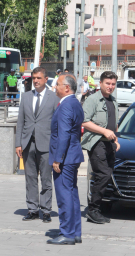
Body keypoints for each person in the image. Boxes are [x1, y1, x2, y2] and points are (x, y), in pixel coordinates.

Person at [15, 67, 60, 223]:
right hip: (28, 144)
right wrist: (18, 143)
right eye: (34, 78)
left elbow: (57, 124)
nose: (35, 81)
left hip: (46, 145)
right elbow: (20, 121)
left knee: (46, 179)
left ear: (46, 79)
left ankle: (46, 210)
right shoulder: (26, 97)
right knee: (30, 178)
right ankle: (32, 209)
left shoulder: (54, 98)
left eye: (39, 78)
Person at [47, 73, 84, 245]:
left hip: (65, 158)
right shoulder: (74, 103)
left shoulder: (66, 105)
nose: (55, 87)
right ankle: (75, 232)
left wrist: (57, 159)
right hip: (72, 155)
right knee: (71, 194)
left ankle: (67, 233)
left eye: (58, 84)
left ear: (67, 88)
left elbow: (64, 135)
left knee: (64, 196)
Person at [82, 71, 120, 224]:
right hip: (96, 142)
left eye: (113, 84)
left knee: (107, 174)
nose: (110, 87)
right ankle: (93, 210)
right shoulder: (92, 100)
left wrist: (116, 139)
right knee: (103, 174)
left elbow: (114, 123)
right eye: (107, 83)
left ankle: (99, 208)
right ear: (100, 83)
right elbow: (84, 122)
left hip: (109, 143)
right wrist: (104, 131)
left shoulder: (113, 100)